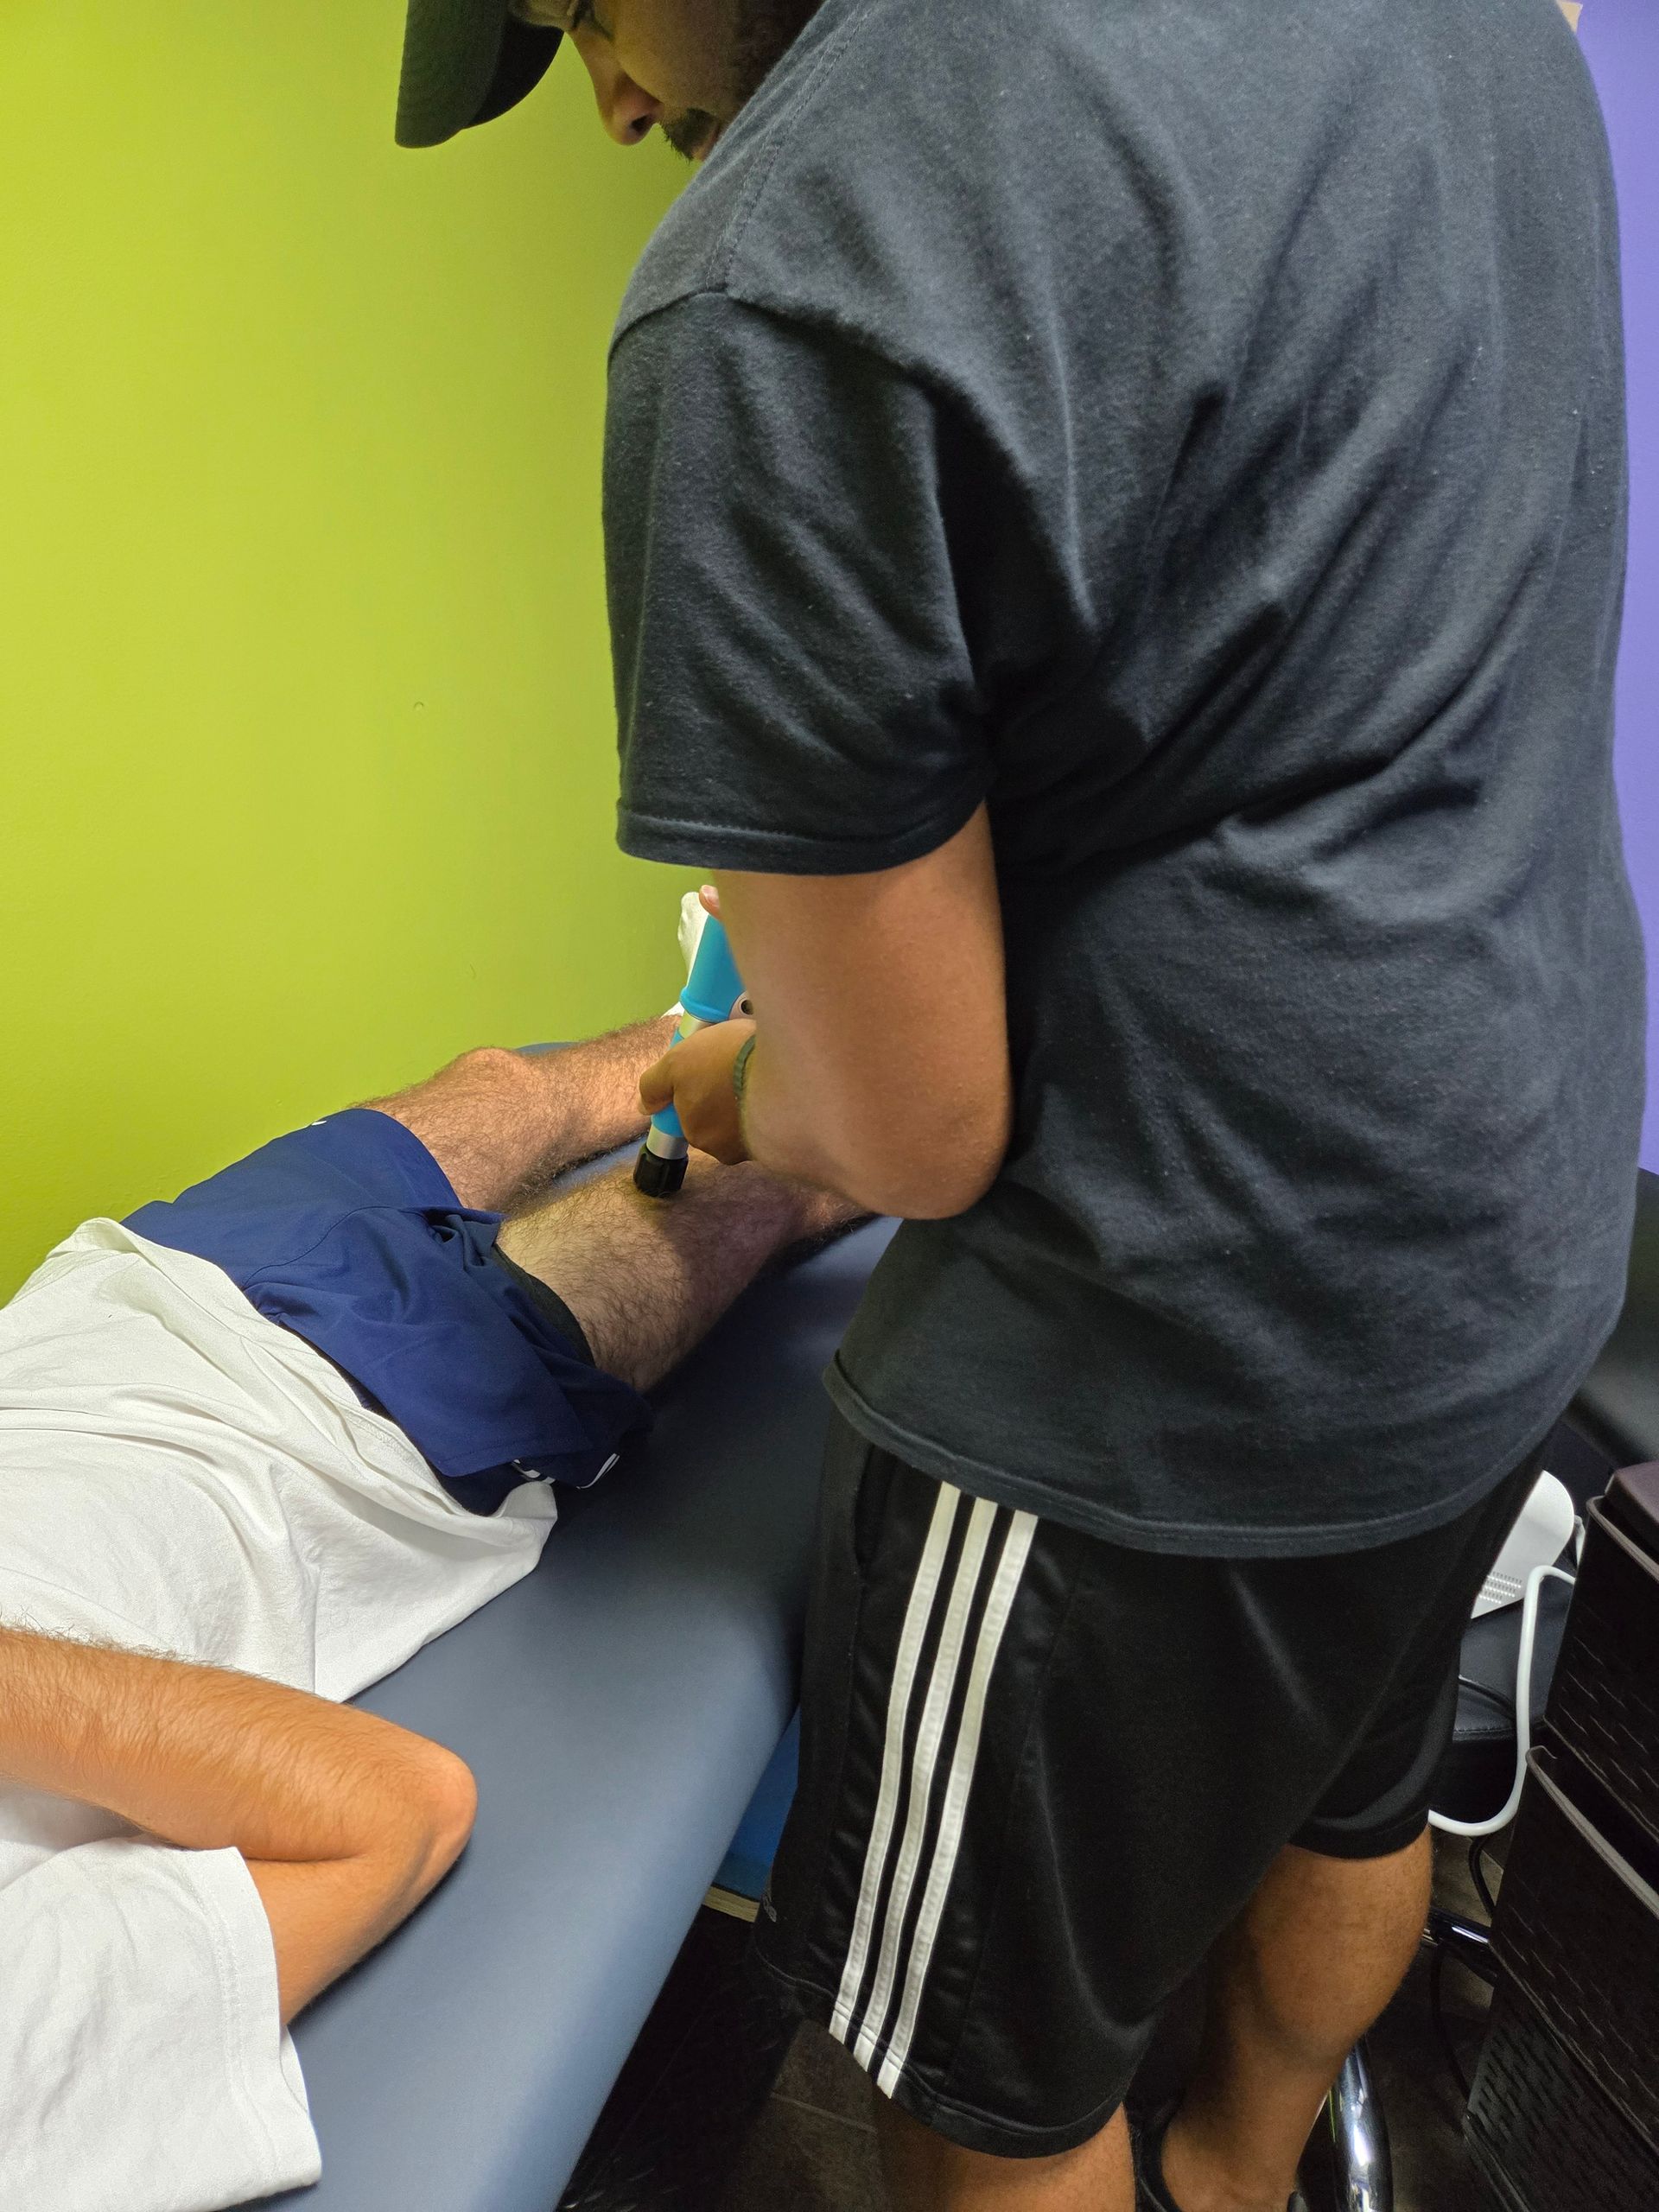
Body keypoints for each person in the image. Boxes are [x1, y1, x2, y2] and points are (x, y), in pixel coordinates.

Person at [394, 3, 1646, 2209]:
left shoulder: (789, 278)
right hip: (1515, 1214)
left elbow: (905, 1136)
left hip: (1172, 1360)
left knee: (981, 2088)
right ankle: (1244, 2180)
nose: (601, 97)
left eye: (575, 7)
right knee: (1348, 1806)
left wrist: (716, 1077)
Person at [0, 991, 855, 2212]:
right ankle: (996, 1065)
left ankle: (746, 1004)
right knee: (763, 1180)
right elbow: (398, 1811)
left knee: (517, 1081)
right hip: (356, 1430)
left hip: (121, 1295)